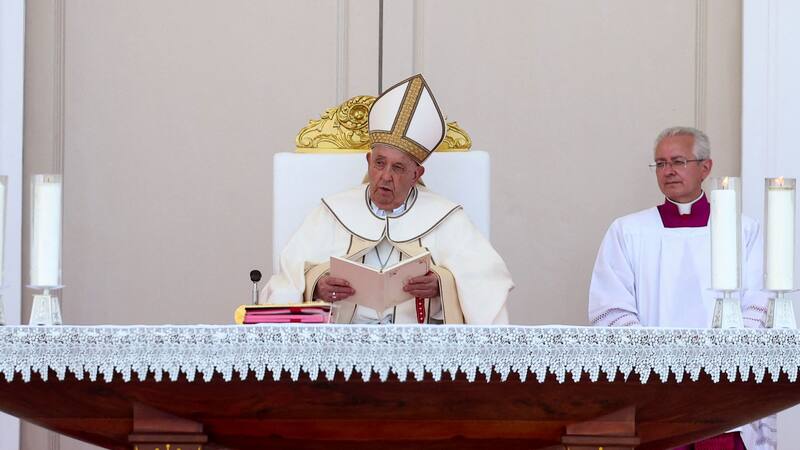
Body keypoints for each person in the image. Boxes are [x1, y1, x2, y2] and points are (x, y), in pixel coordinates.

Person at [263, 74, 514, 324]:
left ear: (417, 174)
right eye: (379, 163)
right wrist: (316, 285)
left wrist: (441, 285)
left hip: (419, 349)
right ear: (368, 162)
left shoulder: (446, 218)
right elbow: (287, 278)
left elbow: (487, 283)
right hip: (343, 344)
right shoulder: (333, 211)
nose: (385, 176)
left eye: (398, 168)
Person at [588, 126, 775, 450]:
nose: (668, 171)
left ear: (706, 167)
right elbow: (611, 306)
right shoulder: (629, 231)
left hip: (723, 389)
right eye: (660, 164)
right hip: (656, 392)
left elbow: (759, 299)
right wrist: (655, 360)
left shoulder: (742, 230)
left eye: (678, 161)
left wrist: (722, 358)